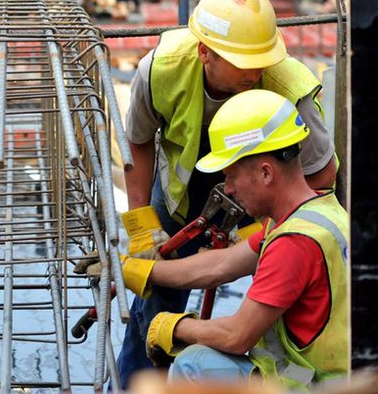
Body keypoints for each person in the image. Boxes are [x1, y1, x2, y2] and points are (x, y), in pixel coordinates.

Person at [117, 0, 336, 386]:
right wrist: (142, 231)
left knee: (278, 302)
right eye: (243, 60)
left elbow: (322, 175)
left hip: (271, 203)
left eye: (261, 59)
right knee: (153, 307)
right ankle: (136, 383)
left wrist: (266, 234)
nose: (255, 70)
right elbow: (139, 142)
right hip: (182, 194)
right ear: (204, 52)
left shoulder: (290, 88)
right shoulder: (161, 69)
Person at [119, 89, 347, 391]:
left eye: (230, 176)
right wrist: (135, 269)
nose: (227, 189)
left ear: (265, 173)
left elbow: (237, 336)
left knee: (194, 363)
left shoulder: (295, 243)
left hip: (315, 383)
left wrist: (174, 326)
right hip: (337, 372)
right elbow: (221, 264)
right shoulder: (315, 211)